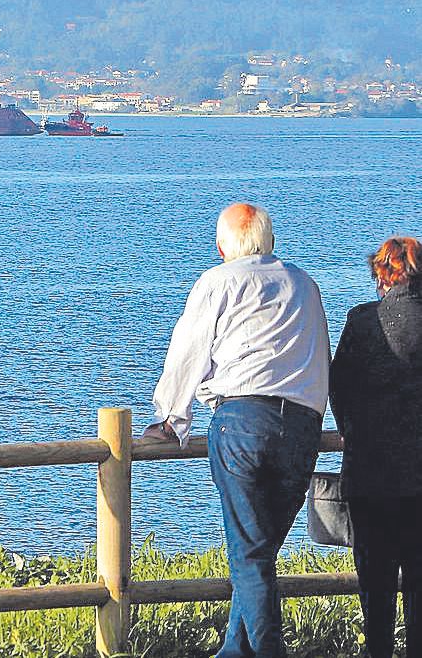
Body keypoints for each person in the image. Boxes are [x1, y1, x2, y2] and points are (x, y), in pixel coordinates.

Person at [143, 203, 330, 658]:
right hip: (303, 427)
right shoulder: (304, 283)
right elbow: (321, 353)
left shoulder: (217, 281)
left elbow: (187, 353)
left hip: (244, 421)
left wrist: (172, 418)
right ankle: (234, 652)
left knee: (248, 554)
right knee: (259, 553)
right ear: (270, 241)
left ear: (223, 245)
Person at [330, 236, 422, 658]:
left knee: (377, 586)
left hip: (370, 474)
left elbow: (339, 386)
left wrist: (350, 426)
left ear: (382, 276)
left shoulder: (362, 321)